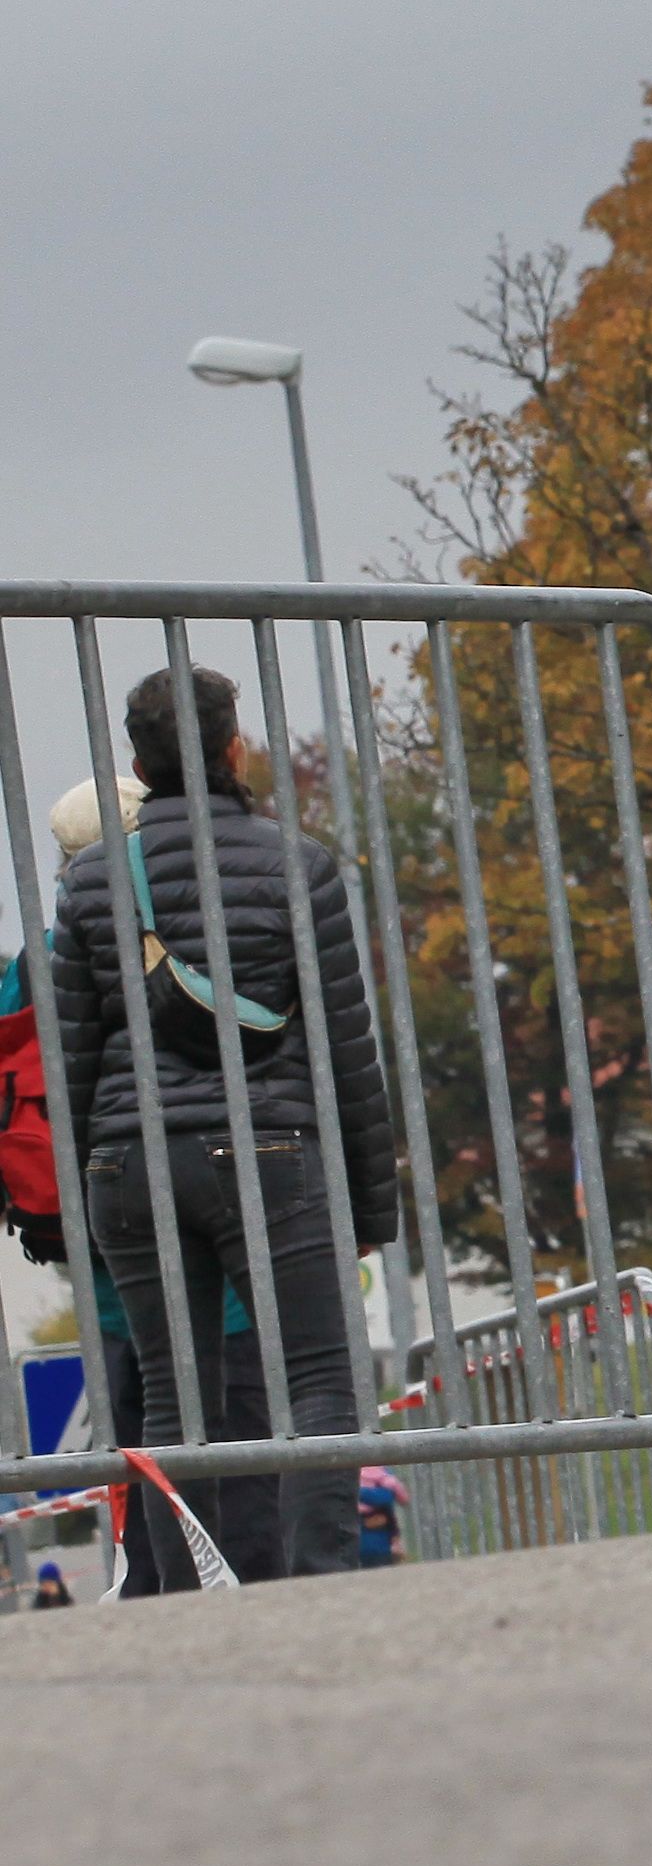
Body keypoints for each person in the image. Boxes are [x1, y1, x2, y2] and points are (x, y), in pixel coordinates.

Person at [44, 666, 397, 1579]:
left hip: (131, 1159)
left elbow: (74, 1057)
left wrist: (87, 1188)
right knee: (321, 1378)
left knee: (173, 1399)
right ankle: (319, 1582)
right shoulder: (298, 864)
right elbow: (343, 1046)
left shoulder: (88, 885)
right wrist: (370, 1204)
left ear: (137, 760)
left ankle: (191, 1595)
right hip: (267, 1151)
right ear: (234, 748)